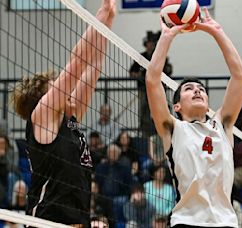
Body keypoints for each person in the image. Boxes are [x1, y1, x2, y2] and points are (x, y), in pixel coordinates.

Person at [9, 0, 116, 226]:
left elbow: (93, 67)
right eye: (55, 85)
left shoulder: (71, 120)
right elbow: (77, 63)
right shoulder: (42, 115)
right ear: (42, 98)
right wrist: (98, 17)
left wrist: (107, 22)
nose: (63, 87)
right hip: (46, 222)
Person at [146, 7, 242, 227]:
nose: (197, 91)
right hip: (187, 222)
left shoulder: (223, 124)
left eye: (201, 88)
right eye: (189, 89)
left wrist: (216, 31)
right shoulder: (172, 129)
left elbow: (240, 76)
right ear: (177, 106)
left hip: (226, 223)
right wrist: (166, 37)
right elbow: (153, 80)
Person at [129, 31, 173, 138]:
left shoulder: (159, 56)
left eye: (152, 43)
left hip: (158, 89)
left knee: (161, 108)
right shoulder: (141, 57)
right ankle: (145, 133)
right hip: (143, 90)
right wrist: (138, 75)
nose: (150, 45)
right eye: (149, 42)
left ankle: (162, 131)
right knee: (144, 110)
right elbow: (132, 72)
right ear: (146, 44)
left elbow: (168, 71)